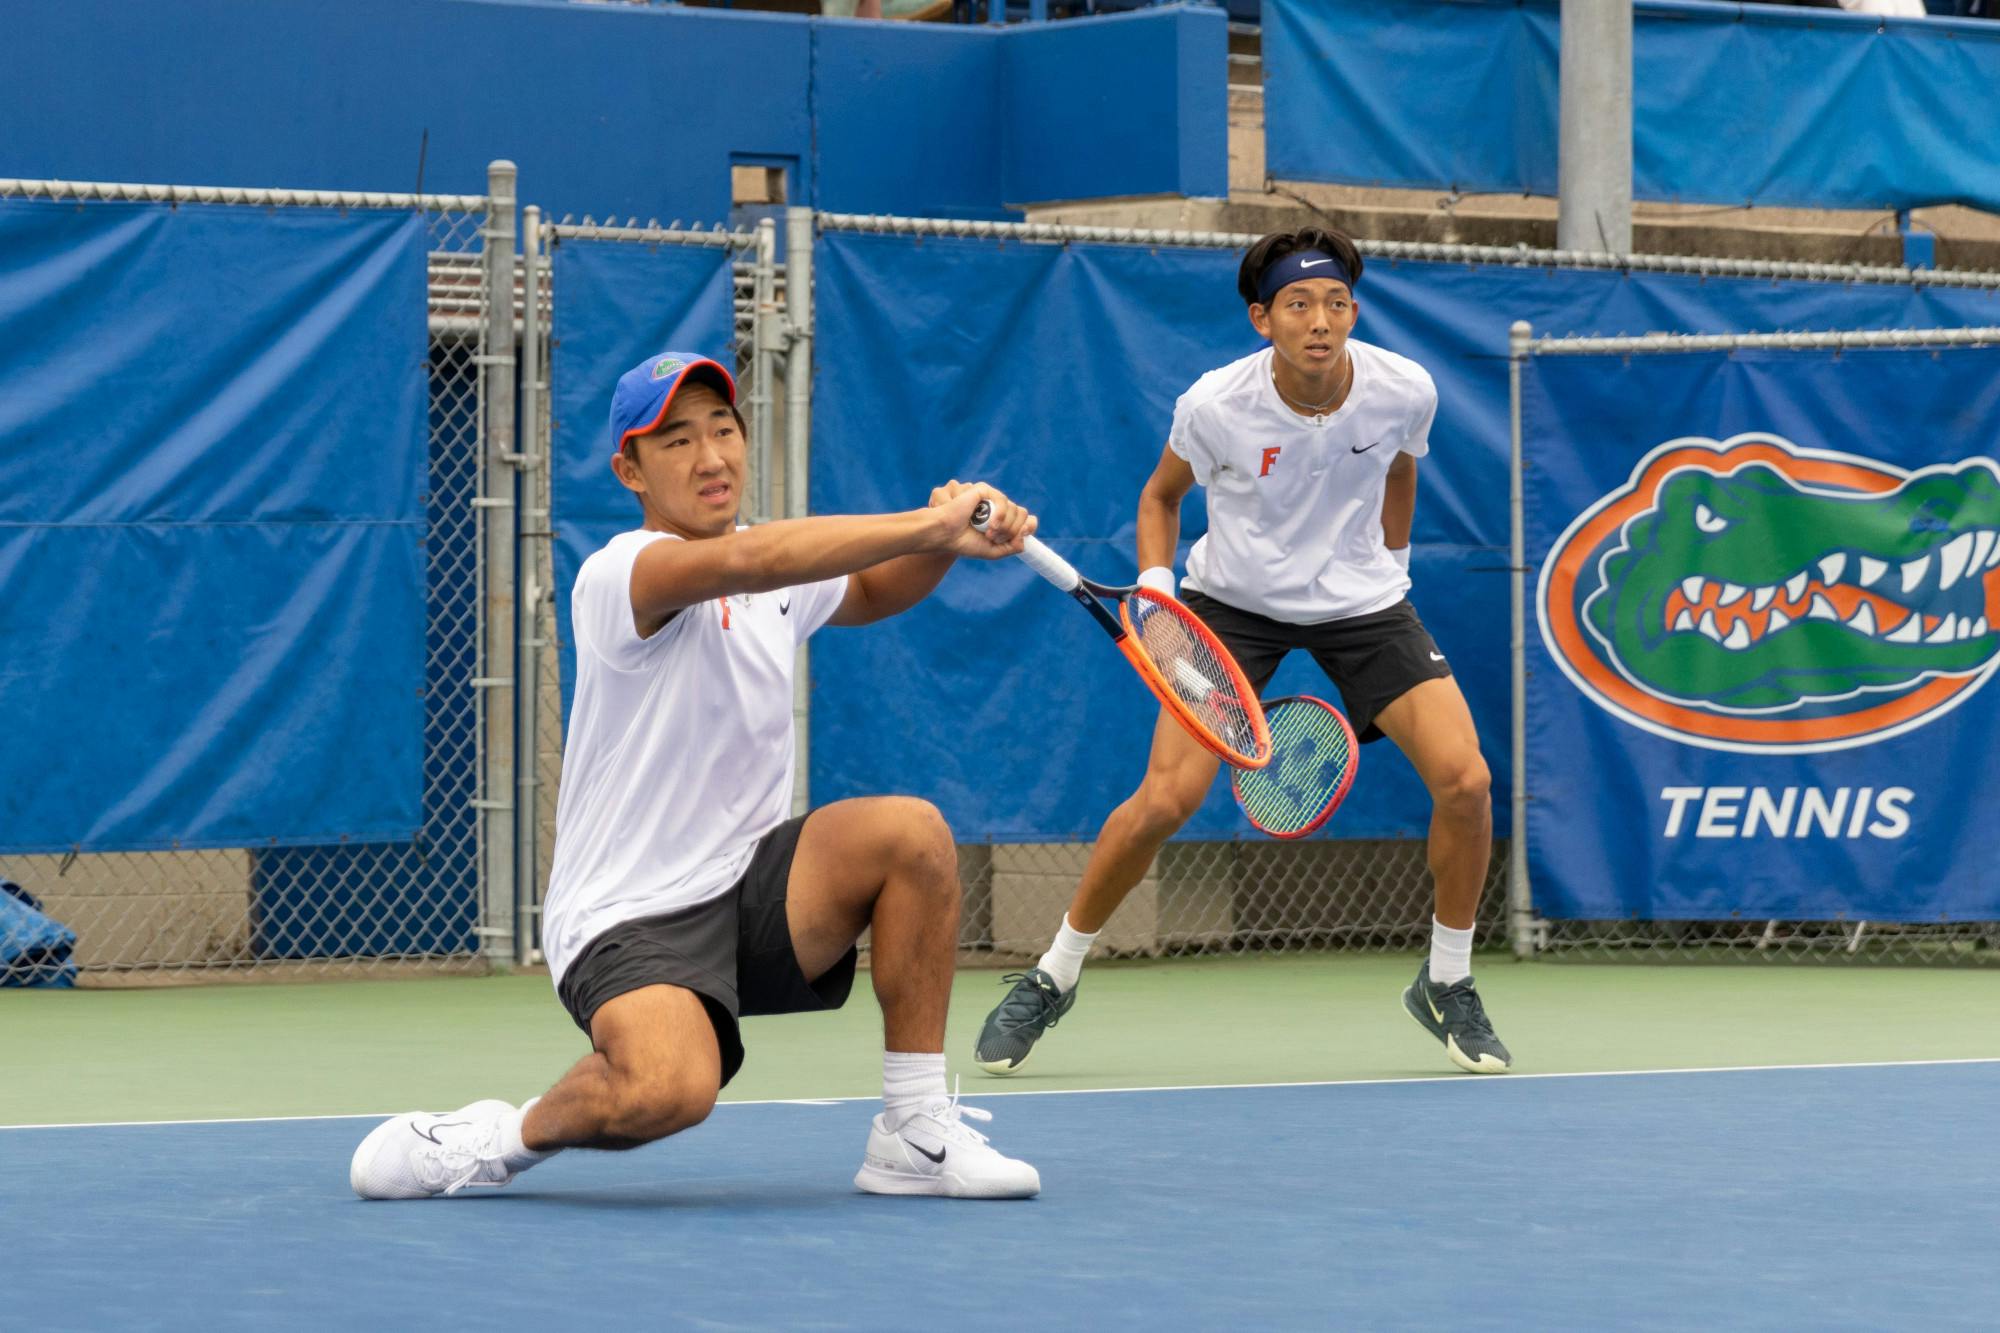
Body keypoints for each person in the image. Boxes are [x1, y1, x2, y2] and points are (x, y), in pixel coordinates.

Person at [351, 351, 1044, 1201]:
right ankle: (500, 1136)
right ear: (629, 470)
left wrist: (948, 544)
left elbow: (865, 585)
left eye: (723, 428)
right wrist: (925, 522)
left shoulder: (774, 567)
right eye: (676, 439)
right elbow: (753, 565)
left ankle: (912, 1129)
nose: (711, 456)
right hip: (628, 914)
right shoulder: (622, 573)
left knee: (912, 836)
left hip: (748, 890)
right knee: (672, 1090)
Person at [974, 228, 1514, 1078]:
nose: (1321, 320)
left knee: (1468, 781)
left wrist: (1396, 567)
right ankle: (1054, 974)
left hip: (1365, 602)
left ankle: (1447, 978)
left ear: (1354, 313)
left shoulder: (1404, 388)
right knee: (1164, 799)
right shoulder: (1214, 405)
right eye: (1298, 304)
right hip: (1232, 606)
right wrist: (1156, 597)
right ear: (1263, 319)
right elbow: (1160, 497)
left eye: (1336, 303)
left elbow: (1402, 471)